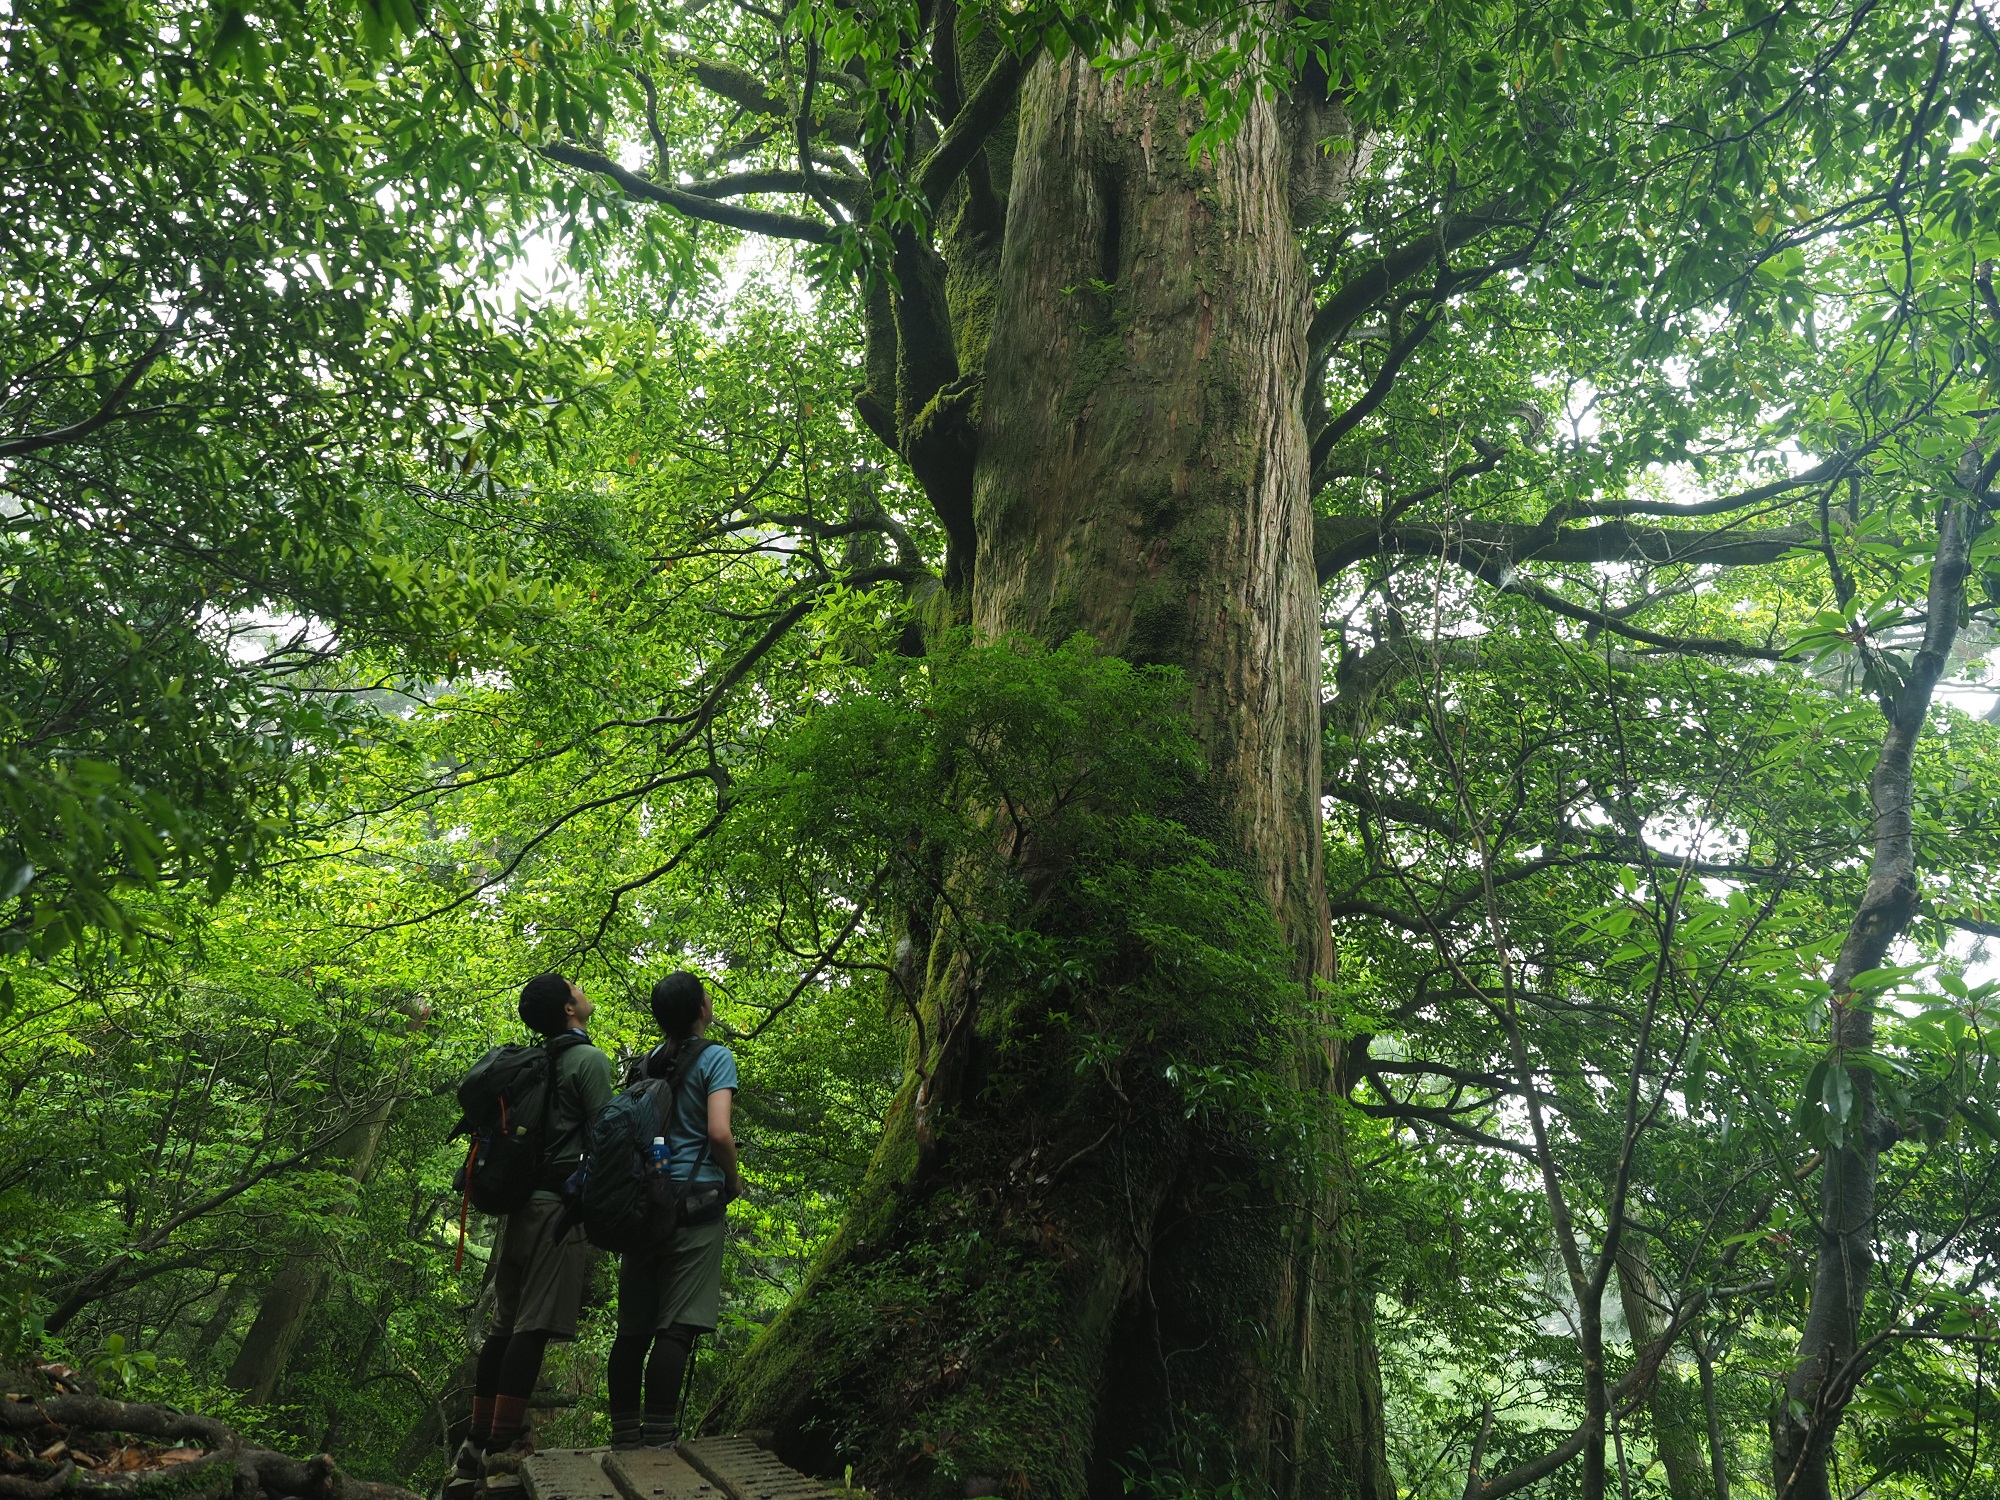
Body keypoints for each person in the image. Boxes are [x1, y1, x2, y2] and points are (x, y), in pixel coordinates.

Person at [451, 973, 613, 1493]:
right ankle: (504, 1447)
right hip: (556, 1210)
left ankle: (474, 1446)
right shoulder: (587, 1061)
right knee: (533, 1326)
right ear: (569, 1009)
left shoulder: (535, 1062)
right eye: (577, 989)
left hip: (520, 1208)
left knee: (504, 1324)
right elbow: (608, 1138)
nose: (584, 992)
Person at [606, 970, 742, 1449]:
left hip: (644, 1205)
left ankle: (623, 1434)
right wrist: (733, 1177)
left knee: (633, 1332)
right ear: (701, 1010)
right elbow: (719, 1133)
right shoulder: (716, 1059)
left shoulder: (645, 1065)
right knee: (676, 1327)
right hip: (695, 1204)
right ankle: (661, 1438)